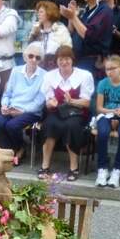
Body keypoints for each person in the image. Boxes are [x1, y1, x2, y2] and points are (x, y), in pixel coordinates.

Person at [38, 45, 94, 182]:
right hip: (57, 112)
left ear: (72, 60)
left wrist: (72, 101)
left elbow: (86, 103)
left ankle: (73, 167)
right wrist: (51, 103)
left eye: (67, 59)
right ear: (56, 61)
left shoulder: (84, 75)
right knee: (49, 124)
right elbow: (48, 101)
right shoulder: (49, 76)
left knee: (71, 126)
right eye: (61, 59)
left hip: (77, 113)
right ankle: (45, 165)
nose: (64, 62)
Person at [0, 43, 46, 164]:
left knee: (12, 126)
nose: (33, 59)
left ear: (40, 60)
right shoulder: (16, 71)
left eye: (37, 57)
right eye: (31, 56)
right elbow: (7, 93)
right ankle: (9, 151)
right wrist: (4, 105)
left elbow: (39, 102)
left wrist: (22, 111)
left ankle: (20, 149)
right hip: (12, 108)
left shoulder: (44, 75)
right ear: (25, 57)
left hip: (31, 111)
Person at [93, 54, 120, 188]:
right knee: (103, 132)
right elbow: (99, 107)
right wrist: (111, 112)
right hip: (106, 114)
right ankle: (102, 169)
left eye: (112, 68)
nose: (109, 72)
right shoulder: (102, 83)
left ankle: (117, 170)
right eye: (107, 69)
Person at [60, 0, 112, 78]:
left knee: (88, 92)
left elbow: (88, 35)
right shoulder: (87, 10)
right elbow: (71, 31)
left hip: (92, 62)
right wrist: (72, 15)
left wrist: (73, 16)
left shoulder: (104, 10)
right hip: (79, 59)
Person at [27, 0, 72, 71]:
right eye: (38, 12)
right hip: (36, 67)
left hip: (55, 68)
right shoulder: (36, 29)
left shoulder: (60, 29)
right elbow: (29, 49)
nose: (38, 14)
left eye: (41, 12)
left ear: (49, 13)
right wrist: (34, 34)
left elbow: (67, 50)